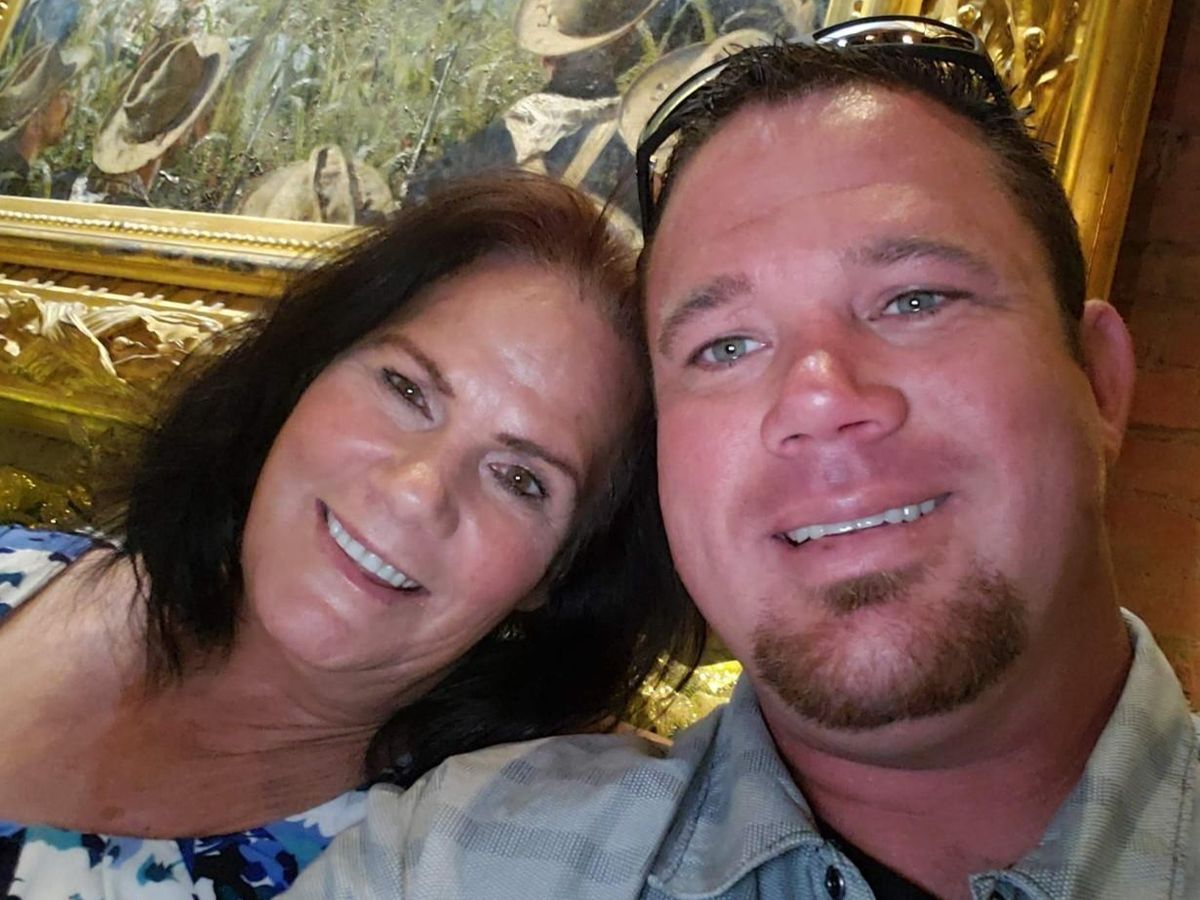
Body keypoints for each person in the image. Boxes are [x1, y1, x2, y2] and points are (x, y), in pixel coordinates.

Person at [283, 16, 1200, 900]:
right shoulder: (450, 860)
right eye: (724, 347)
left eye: (916, 299)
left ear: (1099, 383)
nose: (818, 398)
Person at [0, 171, 705, 898]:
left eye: (521, 480)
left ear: (559, 573)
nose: (416, 491)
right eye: (407, 389)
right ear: (307, 370)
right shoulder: (19, 568)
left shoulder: (461, 867)